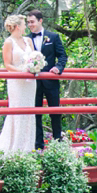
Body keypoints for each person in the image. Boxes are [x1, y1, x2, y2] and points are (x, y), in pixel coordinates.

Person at [0, 14, 37, 159]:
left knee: (29, 112)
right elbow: (7, 64)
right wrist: (22, 71)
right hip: (17, 82)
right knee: (17, 112)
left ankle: (27, 148)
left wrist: (35, 66)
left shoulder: (28, 40)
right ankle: (14, 147)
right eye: (24, 24)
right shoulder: (9, 42)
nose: (26, 26)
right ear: (18, 26)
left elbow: (35, 57)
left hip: (30, 83)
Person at [26, 10, 68, 150]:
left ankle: (58, 144)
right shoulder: (26, 40)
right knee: (35, 114)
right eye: (28, 22)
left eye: (32, 22)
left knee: (55, 112)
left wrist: (58, 68)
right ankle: (38, 145)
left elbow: (62, 56)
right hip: (33, 82)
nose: (29, 25)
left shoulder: (53, 37)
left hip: (51, 81)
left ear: (40, 21)